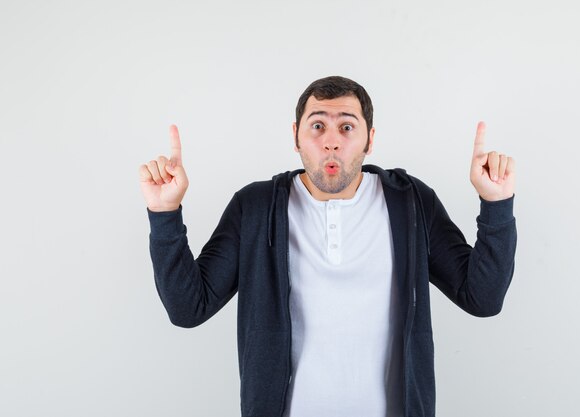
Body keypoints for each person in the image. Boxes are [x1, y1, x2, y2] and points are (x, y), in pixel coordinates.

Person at [138, 76, 517, 417]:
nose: (331, 140)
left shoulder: (411, 203)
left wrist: (496, 206)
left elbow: (481, 298)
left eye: (346, 127)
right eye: (317, 125)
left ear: (370, 139)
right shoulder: (254, 208)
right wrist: (165, 212)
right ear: (296, 136)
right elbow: (189, 308)